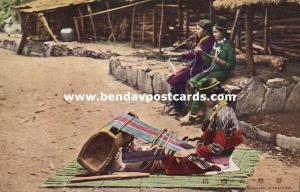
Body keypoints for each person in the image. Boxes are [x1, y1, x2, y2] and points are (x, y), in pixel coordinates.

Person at [163, 78, 244, 175]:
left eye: (204, 98)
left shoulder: (222, 114)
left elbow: (218, 147)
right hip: (223, 151)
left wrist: (193, 151)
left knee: (175, 165)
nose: (204, 101)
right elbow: (217, 132)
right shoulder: (221, 107)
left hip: (222, 157)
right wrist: (198, 137)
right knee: (181, 157)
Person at [180, 21, 236, 125]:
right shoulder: (216, 44)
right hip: (212, 70)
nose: (213, 34)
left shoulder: (229, 46)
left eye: (216, 32)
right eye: (213, 32)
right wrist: (201, 53)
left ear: (223, 32)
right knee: (192, 82)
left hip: (222, 72)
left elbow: (231, 65)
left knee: (201, 85)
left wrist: (219, 61)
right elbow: (209, 60)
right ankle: (197, 110)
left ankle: (192, 115)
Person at [166, 19, 215, 115]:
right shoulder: (203, 39)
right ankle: (177, 105)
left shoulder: (208, 41)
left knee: (175, 80)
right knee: (175, 78)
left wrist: (175, 54)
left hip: (202, 68)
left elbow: (193, 54)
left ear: (206, 30)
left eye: (198, 29)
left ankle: (178, 108)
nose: (196, 31)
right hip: (196, 66)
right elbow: (196, 55)